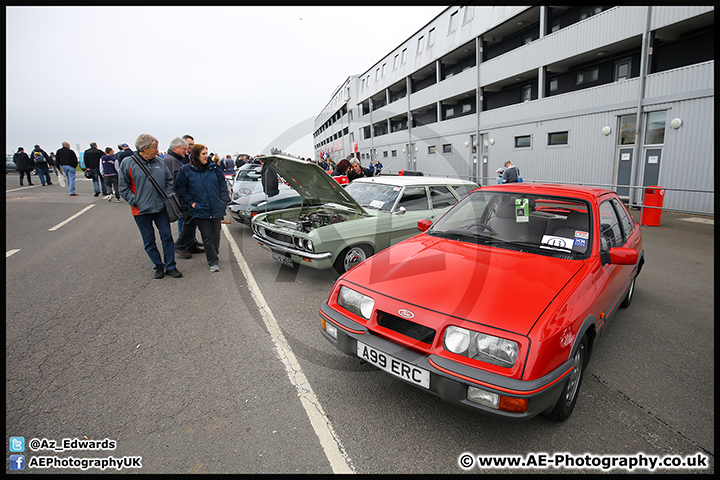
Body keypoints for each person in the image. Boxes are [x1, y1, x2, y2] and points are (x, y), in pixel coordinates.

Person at [118, 134, 182, 279]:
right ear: (144, 148)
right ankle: (158, 266)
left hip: (161, 208)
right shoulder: (128, 163)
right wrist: (135, 200)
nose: (157, 150)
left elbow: (169, 181)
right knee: (149, 240)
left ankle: (171, 266)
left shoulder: (160, 161)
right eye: (154, 147)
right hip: (141, 210)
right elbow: (123, 187)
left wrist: (167, 195)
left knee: (167, 237)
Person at [175, 144, 230, 273]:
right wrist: (192, 203)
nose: (206, 156)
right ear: (196, 155)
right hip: (200, 208)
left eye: (207, 153)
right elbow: (180, 189)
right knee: (207, 236)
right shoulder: (186, 170)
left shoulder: (214, 168)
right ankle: (213, 261)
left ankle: (213, 255)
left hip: (216, 207)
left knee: (216, 235)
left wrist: (223, 201)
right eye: (203, 154)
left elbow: (222, 185)